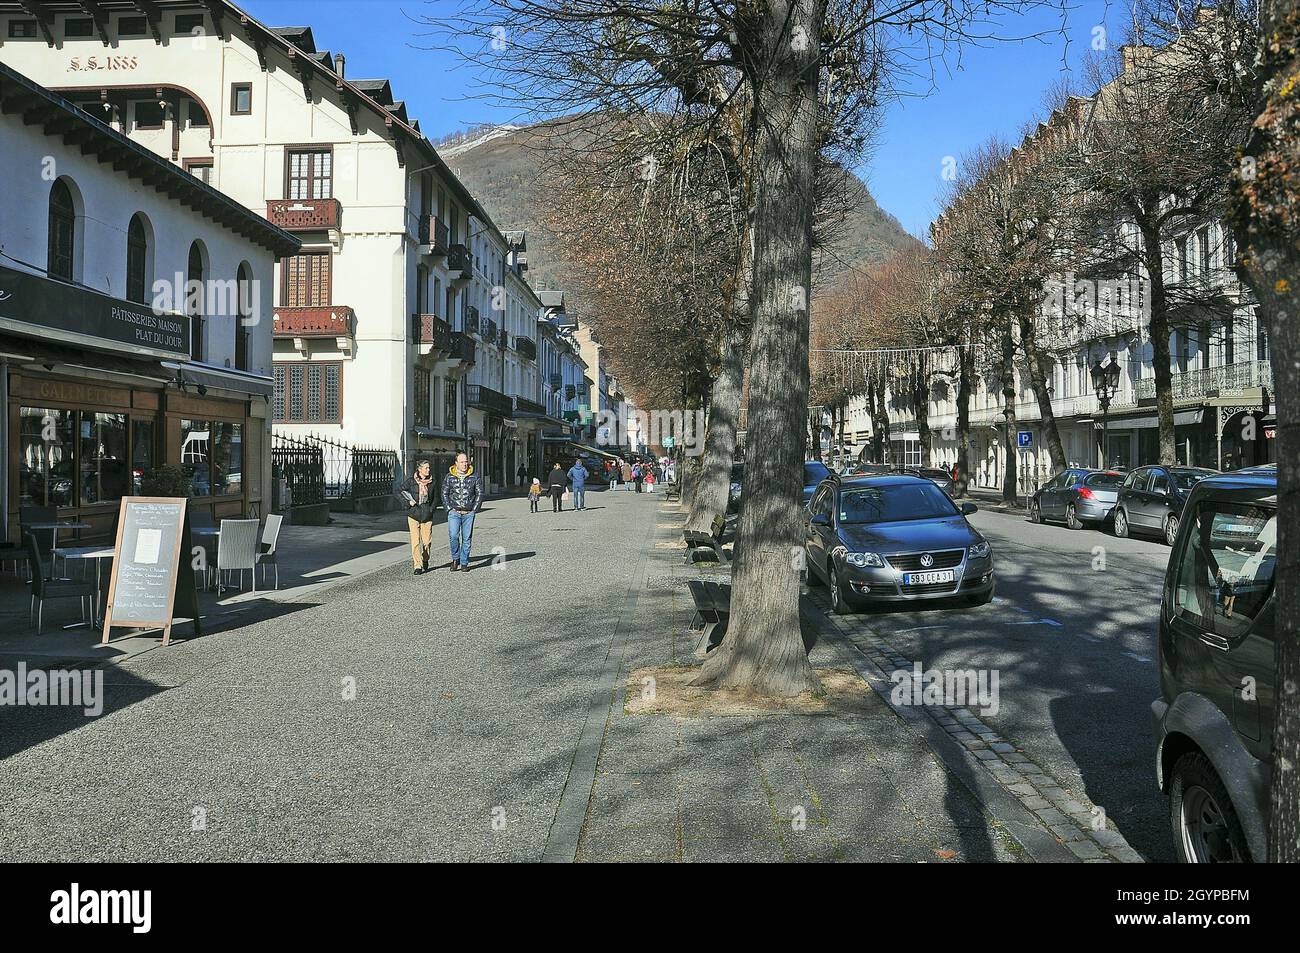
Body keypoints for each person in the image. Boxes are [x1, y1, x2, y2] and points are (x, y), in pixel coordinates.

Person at [441, 451, 483, 572]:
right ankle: (455, 559)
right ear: (456, 463)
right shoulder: (449, 476)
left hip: (468, 512)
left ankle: (464, 562)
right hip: (454, 512)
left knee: (467, 538)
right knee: (453, 536)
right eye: (462, 462)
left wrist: (474, 509)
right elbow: (444, 493)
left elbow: (480, 493)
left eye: (466, 461)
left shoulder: (474, 476)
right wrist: (449, 509)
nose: (465, 464)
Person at [395, 458, 437, 575]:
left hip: (426, 513)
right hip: (413, 513)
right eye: (426, 468)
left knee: (427, 541)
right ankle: (417, 565)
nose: (428, 470)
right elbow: (398, 491)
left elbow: (436, 498)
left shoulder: (432, 481)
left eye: (429, 468)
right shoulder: (411, 481)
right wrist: (407, 503)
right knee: (415, 541)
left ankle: (425, 558)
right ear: (419, 469)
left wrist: (431, 509)